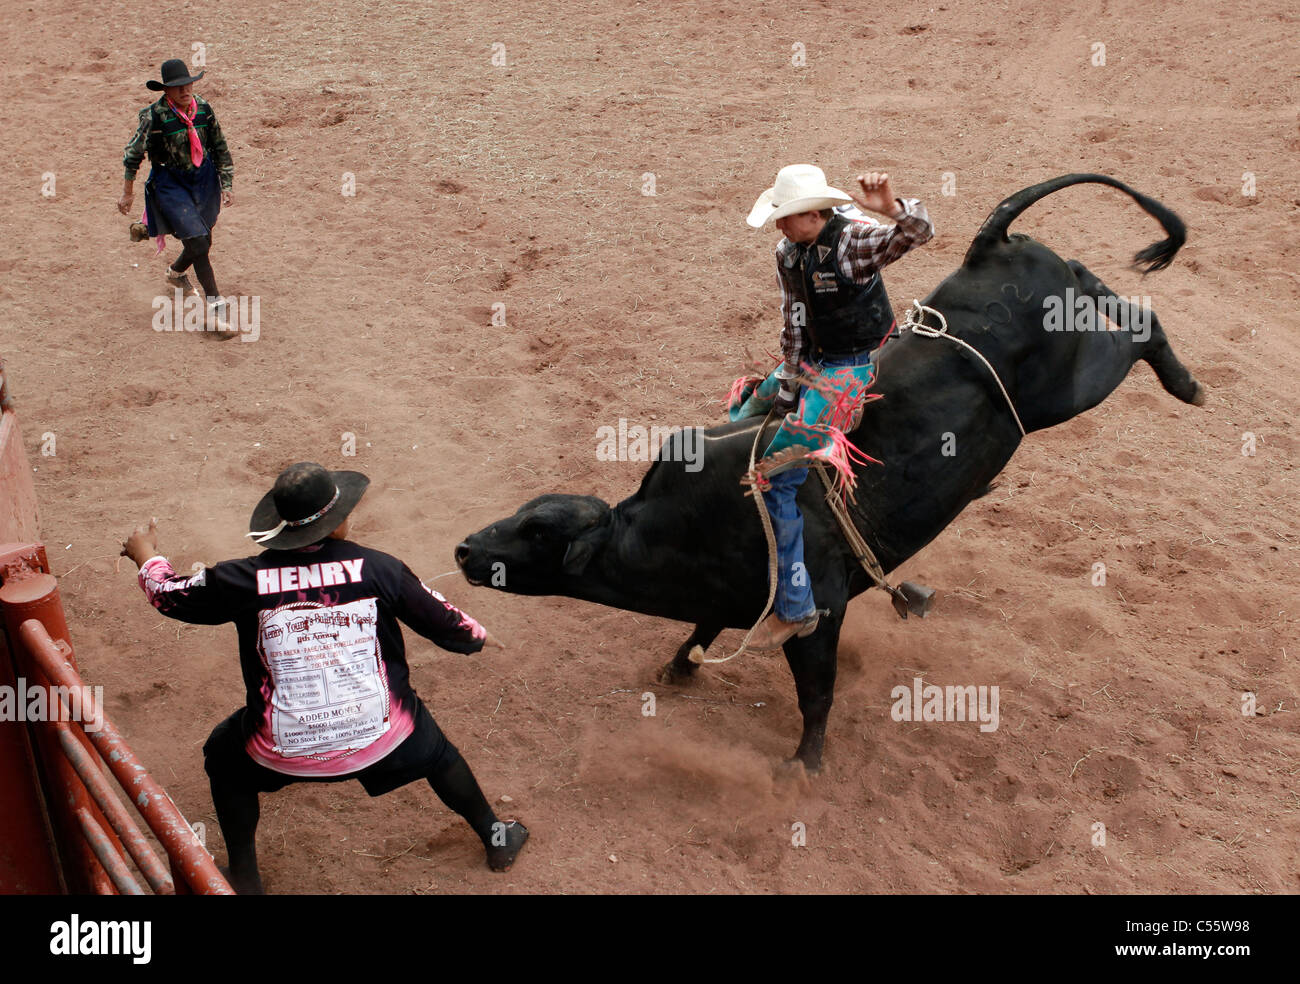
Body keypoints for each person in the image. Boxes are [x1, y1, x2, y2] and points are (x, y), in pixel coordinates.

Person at [120, 462, 528, 893]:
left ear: (280, 527)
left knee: (224, 757)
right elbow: (443, 621)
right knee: (437, 753)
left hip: (279, 748)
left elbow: (169, 595)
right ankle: (495, 837)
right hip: (386, 736)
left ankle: (244, 877)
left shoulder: (240, 579)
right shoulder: (380, 568)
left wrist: (146, 554)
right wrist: (479, 636)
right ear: (338, 524)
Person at [741, 164, 934, 651]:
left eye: (785, 216)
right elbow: (794, 322)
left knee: (772, 478)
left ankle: (796, 606)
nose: (780, 226)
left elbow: (917, 232)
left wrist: (890, 209)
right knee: (743, 415)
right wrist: (787, 381)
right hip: (811, 363)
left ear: (812, 213)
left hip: (851, 372)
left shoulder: (853, 242)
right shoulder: (788, 252)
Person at [118, 59, 234, 325]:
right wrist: (128, 192)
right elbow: (133, 154)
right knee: (197, 242)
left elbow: (219, 146)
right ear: (165, 91)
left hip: (203, 181)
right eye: (177, 87)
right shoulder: (154, 116)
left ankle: (176, 273)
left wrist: (226, 183)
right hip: (170, 184)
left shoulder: (203, 109)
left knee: (203, 240)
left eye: (187, 84)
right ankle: (216, 307)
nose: (184, 91)